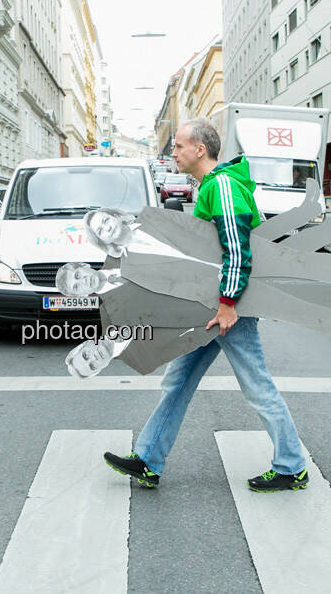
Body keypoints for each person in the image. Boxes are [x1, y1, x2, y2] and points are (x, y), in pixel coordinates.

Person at [104, 117, 309, 493]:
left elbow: (237, 246)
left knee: (256, 386)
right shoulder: (212, 186)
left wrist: (229, 303)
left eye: (179, 145)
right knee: (178, 381)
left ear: (200, 149)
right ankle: (148, 459)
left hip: (228, 310)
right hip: (209, 307)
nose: (174, 152)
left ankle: (292, 466)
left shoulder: (225, 187)